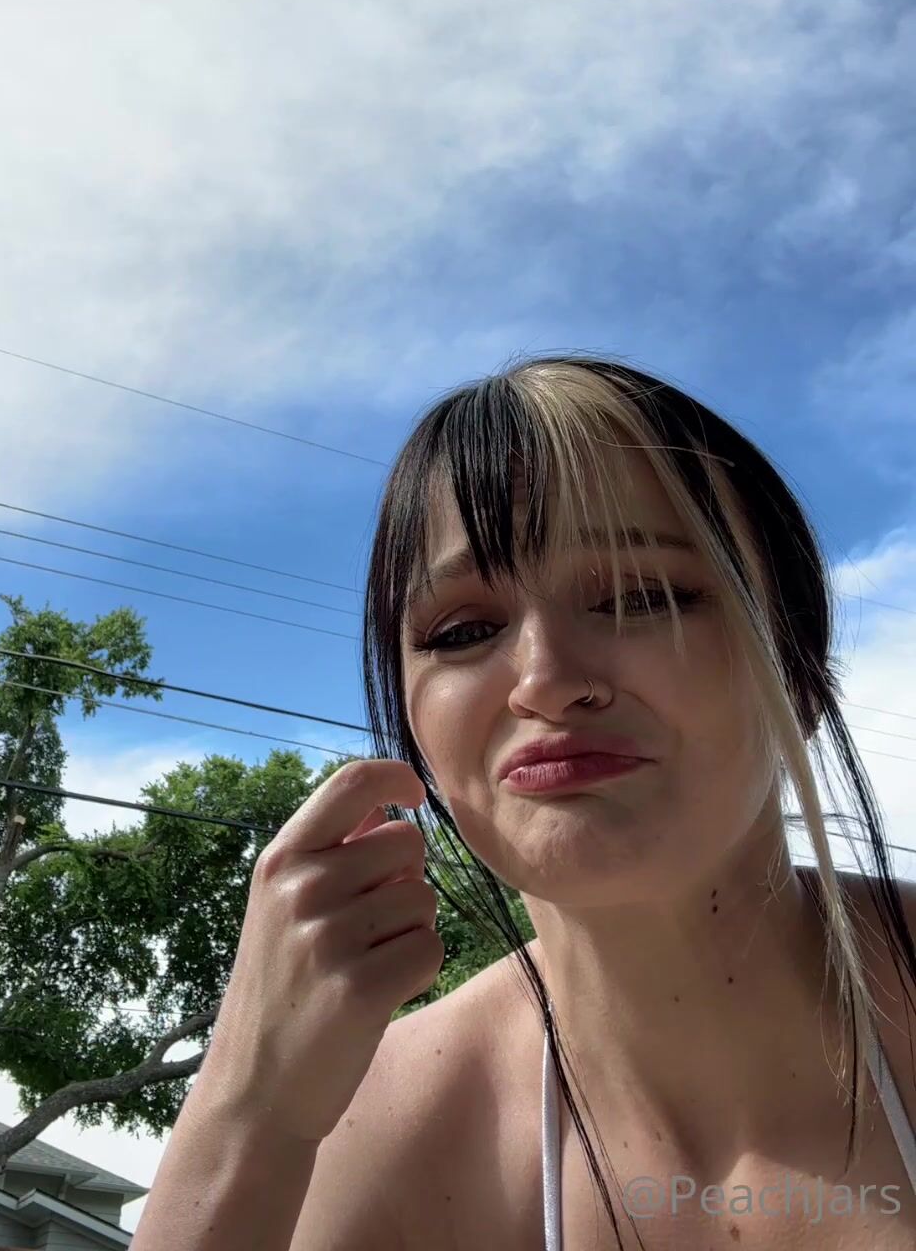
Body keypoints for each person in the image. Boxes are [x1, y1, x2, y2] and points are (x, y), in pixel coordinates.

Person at [132, 353, 916, 1250]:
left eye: (642, 597)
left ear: (801, 677)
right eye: (463, 631)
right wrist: (247, 1106)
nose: (543, 681)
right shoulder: (379, 1124)